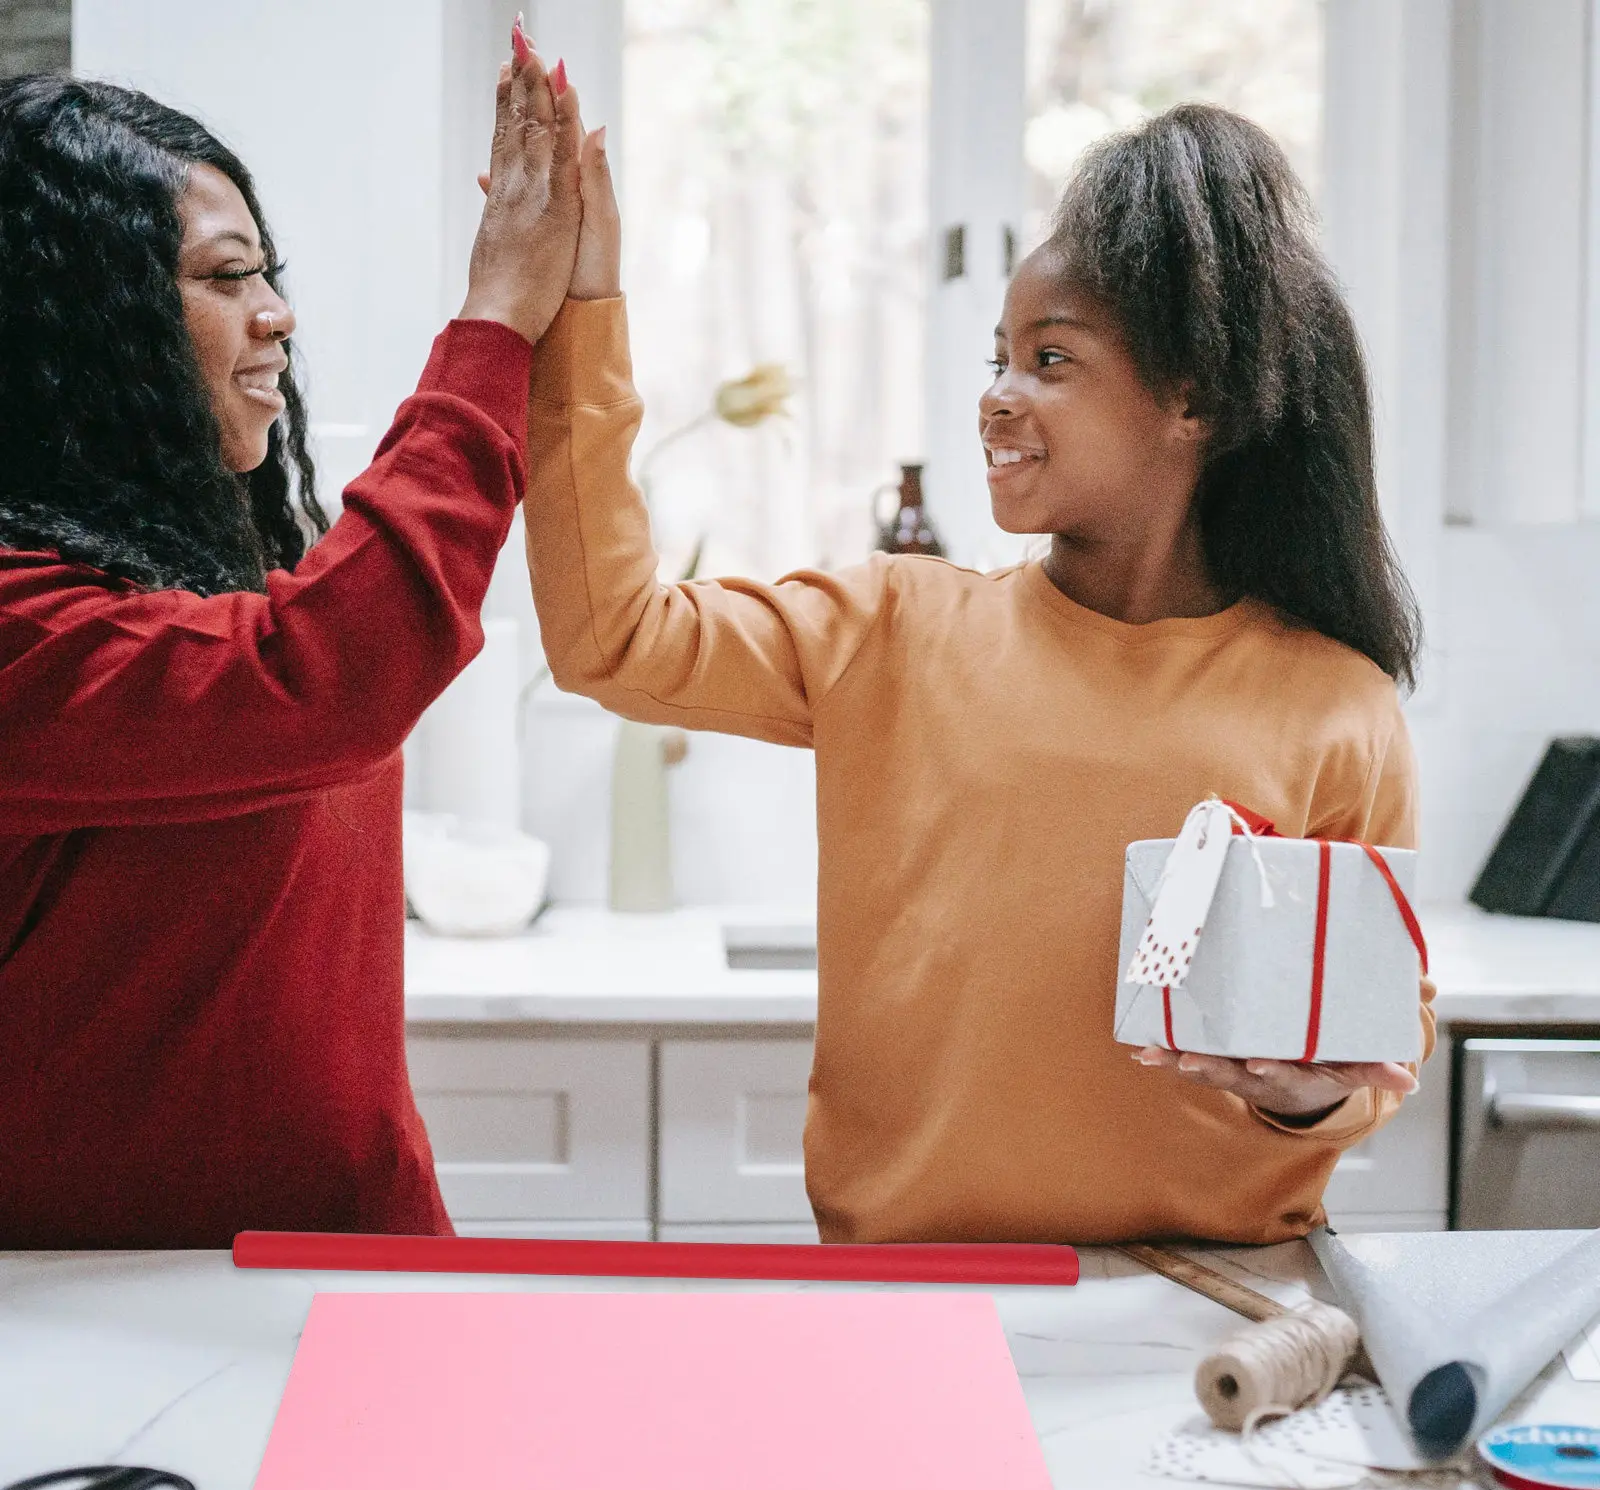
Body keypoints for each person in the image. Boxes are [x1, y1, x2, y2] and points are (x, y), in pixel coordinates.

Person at [523, 103, 1436, 1245]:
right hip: (912, 1297)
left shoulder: (1336, 704)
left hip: (1207, 1307)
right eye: (998, 358)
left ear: (1191, 398)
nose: (997, 396)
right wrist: (578, 312)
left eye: (1050, 360)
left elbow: (1379, 1041)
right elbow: (609, 636)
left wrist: (1305, 1091)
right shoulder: (891, 629)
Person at [0, 27, 584, 1247]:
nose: (278, 317)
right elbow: (327, 674)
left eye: (268, 274)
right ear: (81, 328)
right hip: (98, 1305)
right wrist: (493, 323)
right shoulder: (21, 625)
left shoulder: (218, 573)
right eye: (225, 278)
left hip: (345, 1252)